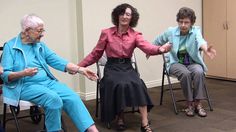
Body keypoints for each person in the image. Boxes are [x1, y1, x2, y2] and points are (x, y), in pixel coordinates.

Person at [78, 3, 171, 132]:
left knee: (138, 84)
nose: (124, 16)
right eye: (122, 13)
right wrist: (78, 67)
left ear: (132, 18)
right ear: (117, 15)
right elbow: (95, 54)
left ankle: (144, 123)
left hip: (127, 67)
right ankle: (120, 117)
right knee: (119, 84)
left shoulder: (135, 35)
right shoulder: (106, 33)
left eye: (128, 14)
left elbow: (147, 47)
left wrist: (160, 49)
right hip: (112, 67)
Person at [0, 14, 99, 132]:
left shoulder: (40, 45)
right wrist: (23, 73)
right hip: (23, 85)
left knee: (72, 97)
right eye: (39, 31)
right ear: (27, 31)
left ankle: (92, 130)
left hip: (47, 83)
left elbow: (57, 60)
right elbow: (5, 75)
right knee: (53, 99)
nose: (42, 34)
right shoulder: (10, 47)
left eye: (43, 30)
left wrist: (80, 69)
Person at [153, 7, 216, 117]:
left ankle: (198, 103)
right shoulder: (171, 32)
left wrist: (205, 49)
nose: (183, 25)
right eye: (180, 22)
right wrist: (154, 50)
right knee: (185, 74)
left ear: (191, 23)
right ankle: (189, 104)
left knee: (199, 71)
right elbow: (157, 41)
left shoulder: (195, 30)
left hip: (192, 62)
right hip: (175, 63)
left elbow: (200, 40)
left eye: (186, 22)